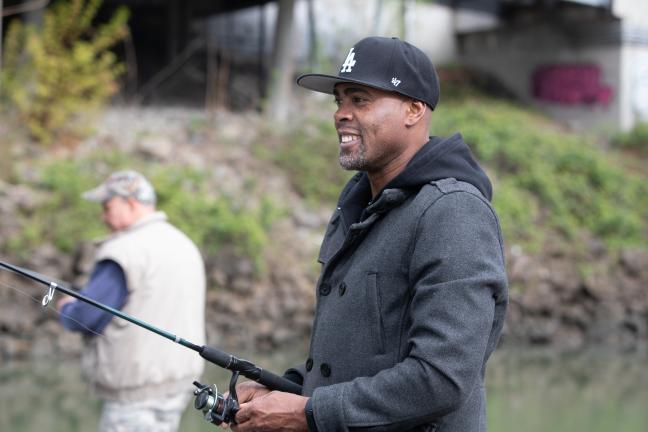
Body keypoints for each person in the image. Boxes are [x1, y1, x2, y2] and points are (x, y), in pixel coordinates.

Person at [230, 36, 508, 432]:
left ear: (414, 110)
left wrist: (307, 414)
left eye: (359, 100)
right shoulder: (359, 206)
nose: (341, 114)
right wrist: (283, 392)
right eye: (339, 100)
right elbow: (359, 356)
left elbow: (442, 378)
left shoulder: (454, 212)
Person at [56, 170, 206, 432]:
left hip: (135, 395)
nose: (103, 216)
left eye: (107, 206)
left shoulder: (124, 251)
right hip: (181, 385)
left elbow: (86, 317)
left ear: (131, 203)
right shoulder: (183, 243)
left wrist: (67, 307)